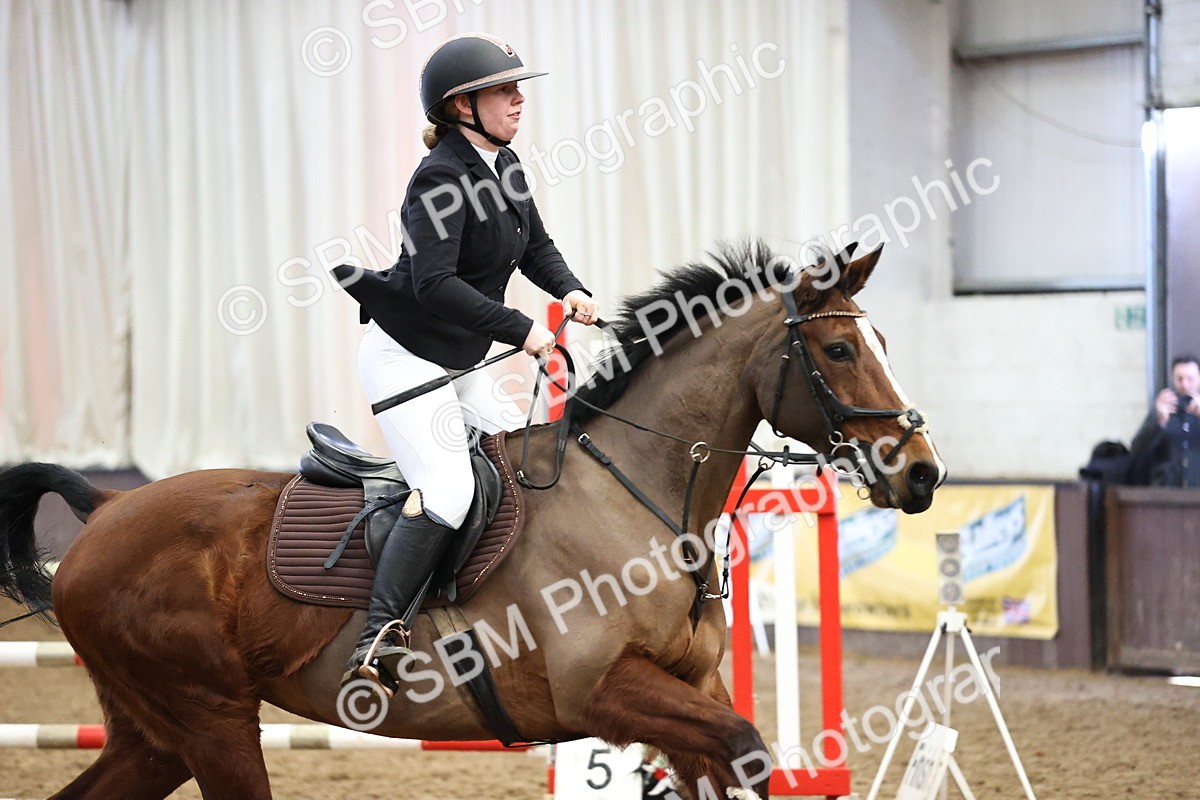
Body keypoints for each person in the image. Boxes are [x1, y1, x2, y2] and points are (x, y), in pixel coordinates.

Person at [335, 33, 597, 690]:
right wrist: (524, 330)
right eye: (505, 89)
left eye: (518, 87)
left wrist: (569, 288)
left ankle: (484, 603)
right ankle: (375, 639)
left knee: (516, 458)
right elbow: (435, 285)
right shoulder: (439, 179)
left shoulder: (504, 165)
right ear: (462, 106)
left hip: (459, 357)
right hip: (404, 357)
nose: (519, 98)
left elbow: (536, 245)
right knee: (449, 487)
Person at [1130, 355, 1200, 487]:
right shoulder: (1162, 410)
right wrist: (1159, 422)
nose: (1185, 384)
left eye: (1190, 379)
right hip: (1166, 493)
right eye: (1179, 379)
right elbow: (1137, 450)